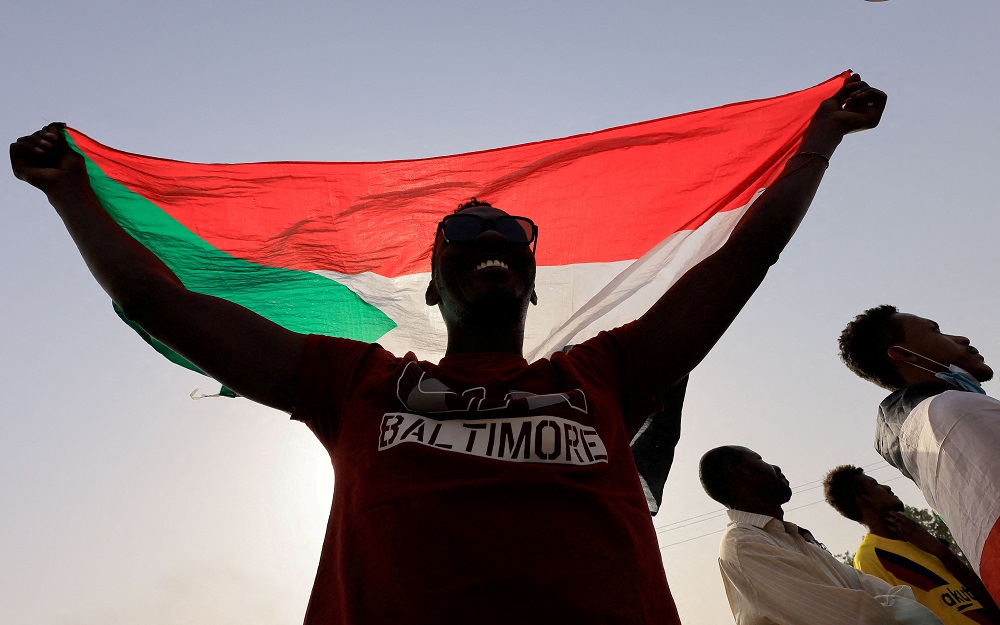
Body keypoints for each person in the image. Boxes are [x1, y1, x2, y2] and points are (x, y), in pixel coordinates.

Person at [11, 74, 885, 625]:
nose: (491, 238)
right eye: (462, 237)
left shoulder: (607, 373)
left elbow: (747, 254)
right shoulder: (353, 381)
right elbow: (159, 300)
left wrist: (818, 142)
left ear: (533, 286)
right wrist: (69, 193)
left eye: (513, 235)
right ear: (432, 289)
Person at [840, 306, 1000, 603]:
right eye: (936, 330)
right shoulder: (953, 410)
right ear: (905, 355)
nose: (961, 339)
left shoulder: (922, 433)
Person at [700, 445, 943, 625]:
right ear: (740, 471)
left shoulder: (794, 538)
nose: (775, 468)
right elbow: (855, 618)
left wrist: (890, 608)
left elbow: (889, 594)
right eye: (760, 459)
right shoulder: (744, 545)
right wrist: (900, 611)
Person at [824, 464, 1000, 624]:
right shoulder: (870, 557)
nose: (887, 487)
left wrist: (939, 550)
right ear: (863, 498)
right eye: (876, 484)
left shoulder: (918, 539)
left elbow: (977, 592)